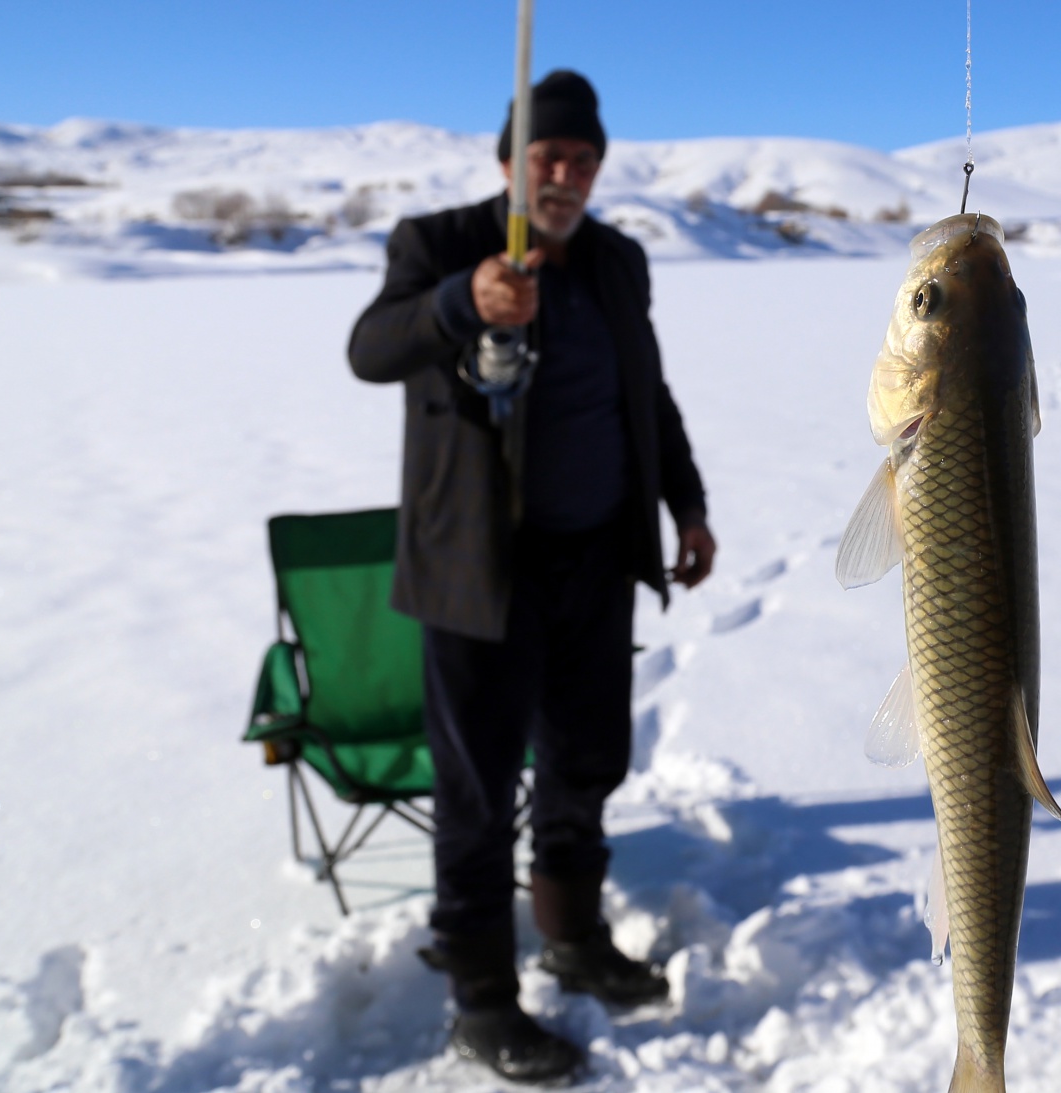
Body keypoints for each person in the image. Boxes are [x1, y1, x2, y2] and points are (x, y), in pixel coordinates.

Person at [347, 70, 716, 1084]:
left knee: (584, 763)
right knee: (474, 792)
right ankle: (480, 998)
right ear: (508, 161)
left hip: (595, 558)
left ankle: (571, 937)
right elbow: (369, 347)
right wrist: (461, 303)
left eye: (582, 160)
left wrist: (684, 504)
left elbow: (649, 393)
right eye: (546, 157)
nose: (563, 175)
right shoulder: (437, 244)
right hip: (477, 573)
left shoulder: (614, 260)